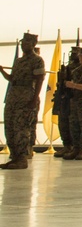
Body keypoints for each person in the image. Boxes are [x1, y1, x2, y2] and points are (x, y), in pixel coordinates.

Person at [0, 32, 46, 169]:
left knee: (22, 128)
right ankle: (14, 157)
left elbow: (39, 80)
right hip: (13, 96)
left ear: (33, 44)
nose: (23, 45)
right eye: (22, 43)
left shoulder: (37, 60)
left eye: (27, 43)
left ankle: (22, 159)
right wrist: (2, 71)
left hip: (27, 96)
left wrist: (34, 98)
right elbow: (13, 79)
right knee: (10, 127)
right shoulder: (19, 61)